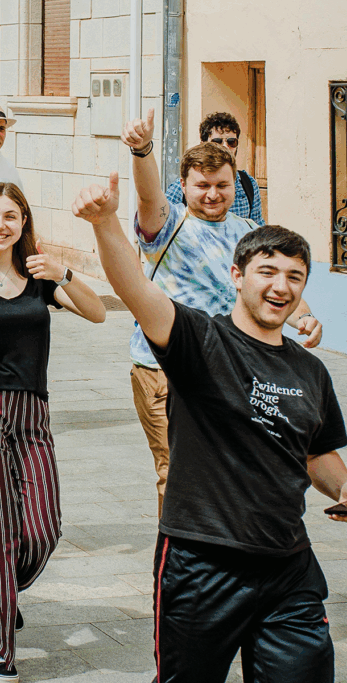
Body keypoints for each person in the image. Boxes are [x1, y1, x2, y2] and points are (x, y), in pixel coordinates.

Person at [73, 175, 347, 683]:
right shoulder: (200, 340)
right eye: (267, 271)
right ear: (237, 276)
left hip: (289, 568)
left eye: (294, 276)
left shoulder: (311, 372)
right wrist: (107, 221)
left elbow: (317, 455)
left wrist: (346, 486)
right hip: (201, 567)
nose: (280, 286)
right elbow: (135, 288)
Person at [0, 183, 105, 683]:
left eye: (11, 216)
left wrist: (64, 272)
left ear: (24, 223)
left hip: (33, 415)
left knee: (43, 528)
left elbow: (96, 312)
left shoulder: (39, 279)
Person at [120, 108, 321, 516]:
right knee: (175, 470)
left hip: (229, 367)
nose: (213, 194)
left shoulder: (248, 232)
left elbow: (275, 285)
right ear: (184, 185)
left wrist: (304, 317)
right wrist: (142, 151)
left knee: (230, 467)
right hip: (163, 369)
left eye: (222, 186)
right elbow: (147, 196)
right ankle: (177, 563)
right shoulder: (168, 225)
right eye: (203, 186)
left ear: (235, 186)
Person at [164, 111, 264, 224]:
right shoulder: (182, 187)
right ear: (203, 144)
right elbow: (162, 225)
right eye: (217, 141)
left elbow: (258, 227)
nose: (225, 146)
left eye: (231, 142)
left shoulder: (248, 184)